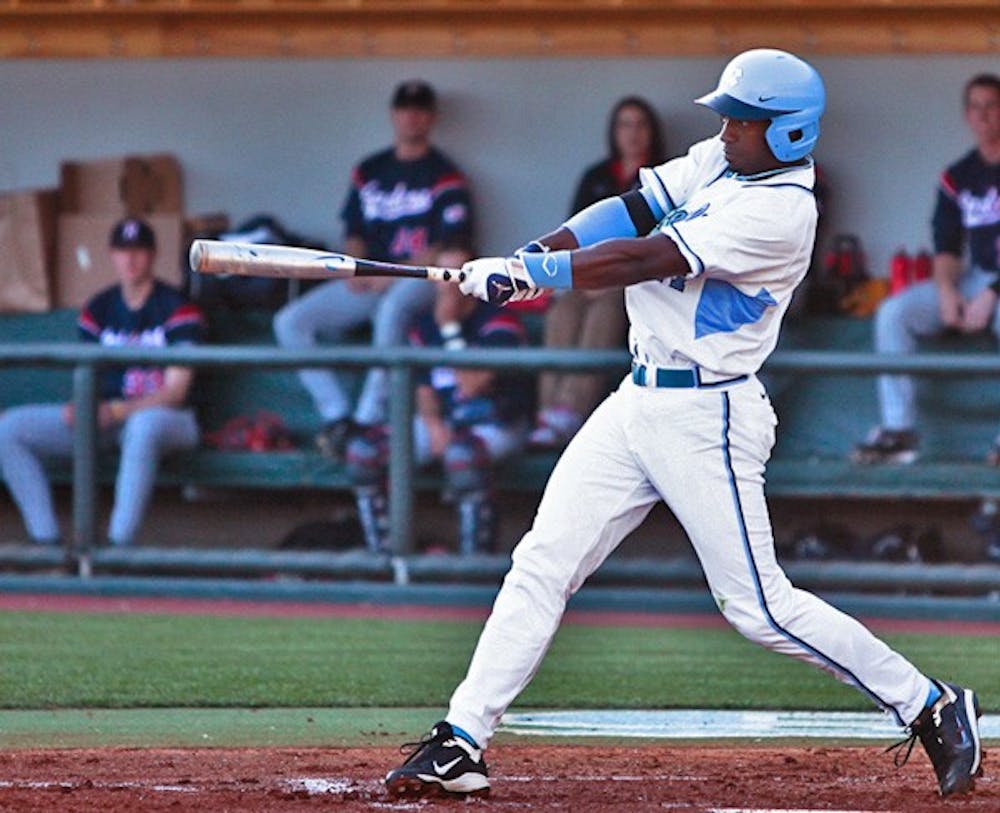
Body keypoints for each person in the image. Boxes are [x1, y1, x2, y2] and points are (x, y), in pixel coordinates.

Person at [383, 50, 983, 800]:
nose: (727, 127)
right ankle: (461, 737)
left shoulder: (782, 209)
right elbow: (627, 210)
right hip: (637, 396)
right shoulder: (723, 160)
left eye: (744, 118)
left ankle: (930, 703)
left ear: (789, 134)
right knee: (543, 559)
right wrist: (535, 253)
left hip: (710, 413)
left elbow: (644, 254)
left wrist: (536, 278)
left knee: (759, 607)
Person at [272, 79, 475, 461]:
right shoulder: (370, 170)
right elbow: (353, 233)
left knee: (392, 310)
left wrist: (391, 272)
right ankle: (337, 416)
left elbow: (449, 245)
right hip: (370, 277)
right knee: (290, 321)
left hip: (419, 279)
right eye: (404, 108)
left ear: (430, 118)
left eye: (419, 110)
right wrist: (356, 267)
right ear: (393, 114)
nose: (411, 117)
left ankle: (366, 419)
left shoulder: (445, 174)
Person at [0, 217, 204, 547]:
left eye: (138, 250)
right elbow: (87, 378)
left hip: (170, 421)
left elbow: (176, 392)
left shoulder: (177, 308)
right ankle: (47, 542)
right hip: (106, 418)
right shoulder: (98, 308)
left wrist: (119, 411)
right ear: (112, 254)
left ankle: (116, 548)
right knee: (8, 429)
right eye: (123, 251)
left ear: (152, 255)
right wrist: (82, 406)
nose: (130, 259)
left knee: (143, 426)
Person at [852, 72, 1000, 464]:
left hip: (995, 287)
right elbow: (947, 247)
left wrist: (993, 293)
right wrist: (949, 291)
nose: (984, 116)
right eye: (976, 107)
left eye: (992, 106)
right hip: (976, 277)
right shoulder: (959, 175)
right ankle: (900, 430)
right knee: (894, 312)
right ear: (967, 115)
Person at [345, 282, 530, 555]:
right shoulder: (425, 326)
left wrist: (450, 328)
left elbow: (470, 384)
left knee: (463, 457)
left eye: (455, 283)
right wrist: (432, 424)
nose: (448, 292)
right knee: (364, 452)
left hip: (498, 422)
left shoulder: (498, 320)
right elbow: (425, 388)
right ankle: (386, 563)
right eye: (442, 286)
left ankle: (474, 570)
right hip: (448, 422)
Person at [530, 96, 668, 449]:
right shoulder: (596, 176)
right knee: (563, 309)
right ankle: (548, 412)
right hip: (589, 276)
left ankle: (570, 411)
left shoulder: (666, 176)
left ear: (652, 132)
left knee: (606, 308)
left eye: (640, 125)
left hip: (638, 285)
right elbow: (573, 236)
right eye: (625, 125)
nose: (632, 133)